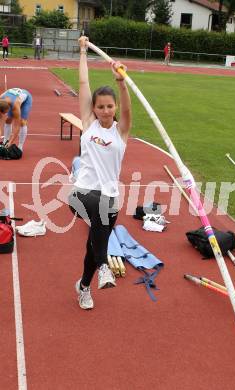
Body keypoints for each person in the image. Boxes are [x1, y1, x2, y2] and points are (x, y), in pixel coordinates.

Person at [68, 36, 132, 310]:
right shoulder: (88, 124)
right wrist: (83, 51)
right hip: (81, 193)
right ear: (93, 109)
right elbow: (83, 84)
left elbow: (129, 109)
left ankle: (84, 285)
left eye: (110, 106)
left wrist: (121, 82)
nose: (105, 110)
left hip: (109, 199)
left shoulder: (121, 132)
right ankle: (106, 266)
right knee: (98, 210)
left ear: (114, 108)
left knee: (93, 246)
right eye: (100, 106)